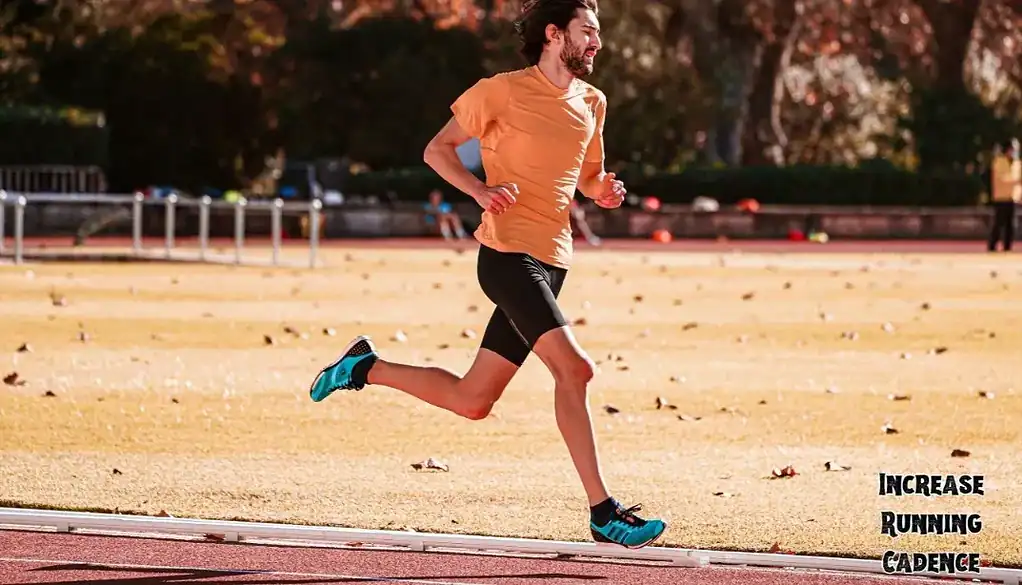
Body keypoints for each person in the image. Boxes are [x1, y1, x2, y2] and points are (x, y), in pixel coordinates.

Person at [308, 0, 667, 550]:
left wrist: (605, 192)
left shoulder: (592, 102)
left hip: (554, 261)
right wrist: (478, 190)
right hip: (506, 255)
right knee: (577, 370)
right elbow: (438, 150)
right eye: (587, 32)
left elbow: (588, 179)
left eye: (598, 34)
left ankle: (364, 367)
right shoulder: (500, 90)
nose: (597, 43)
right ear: (554, 34)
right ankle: (603, 511)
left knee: (474, 401)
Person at [988, 138, 1020, 252]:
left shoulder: (1017, 163)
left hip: (1012, 198)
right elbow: (1001, 179)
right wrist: (1015, 181)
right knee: (998, 223)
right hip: (1001, 198)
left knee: (1011, 225)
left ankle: (1007, 247)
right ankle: (992, 246)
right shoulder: (999, 161)